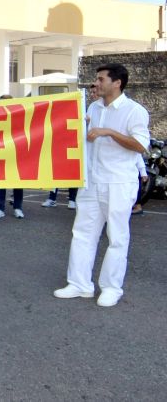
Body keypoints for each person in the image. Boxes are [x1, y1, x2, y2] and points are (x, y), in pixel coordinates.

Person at [54, 64, 149, 307]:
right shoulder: (93, 108)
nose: (96, 83)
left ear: (117, 83)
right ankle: (79, 284)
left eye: (101, 78)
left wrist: (109, 132)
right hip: (91, 181)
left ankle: (111, 287)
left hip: (118, 182)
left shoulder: (134, 111)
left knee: (116, 236)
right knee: (82, 233)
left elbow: (140, 145)